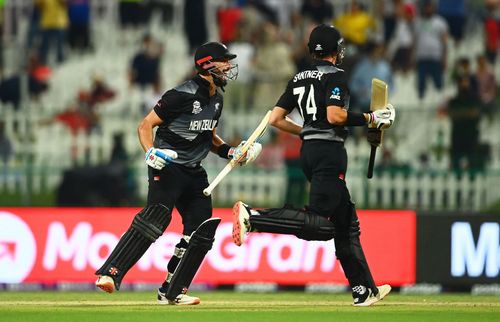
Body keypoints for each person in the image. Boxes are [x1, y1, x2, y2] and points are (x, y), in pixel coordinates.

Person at [232, 24, 395, 307]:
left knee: (346, 223)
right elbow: (334, 116)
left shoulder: (298, 78)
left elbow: (275, 119)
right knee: (322, 225)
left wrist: (306, 131)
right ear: (334, 50)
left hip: (310, 151)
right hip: (329, 152)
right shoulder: (336, 77)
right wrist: (370, 119)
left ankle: (364, 289)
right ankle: (254, 218)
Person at [95, 42, 262, 305]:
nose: (229, 66)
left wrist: (231, 152)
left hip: (194, 172)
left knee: (201, 231)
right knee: (156, 217)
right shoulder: (181, 94)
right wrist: (150, 152)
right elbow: (145, 125)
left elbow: (209, 137)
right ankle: (110, 273)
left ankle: (173, 290)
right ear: (206, 65)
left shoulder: (217, 99)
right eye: (223, 61)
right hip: (167, 166)